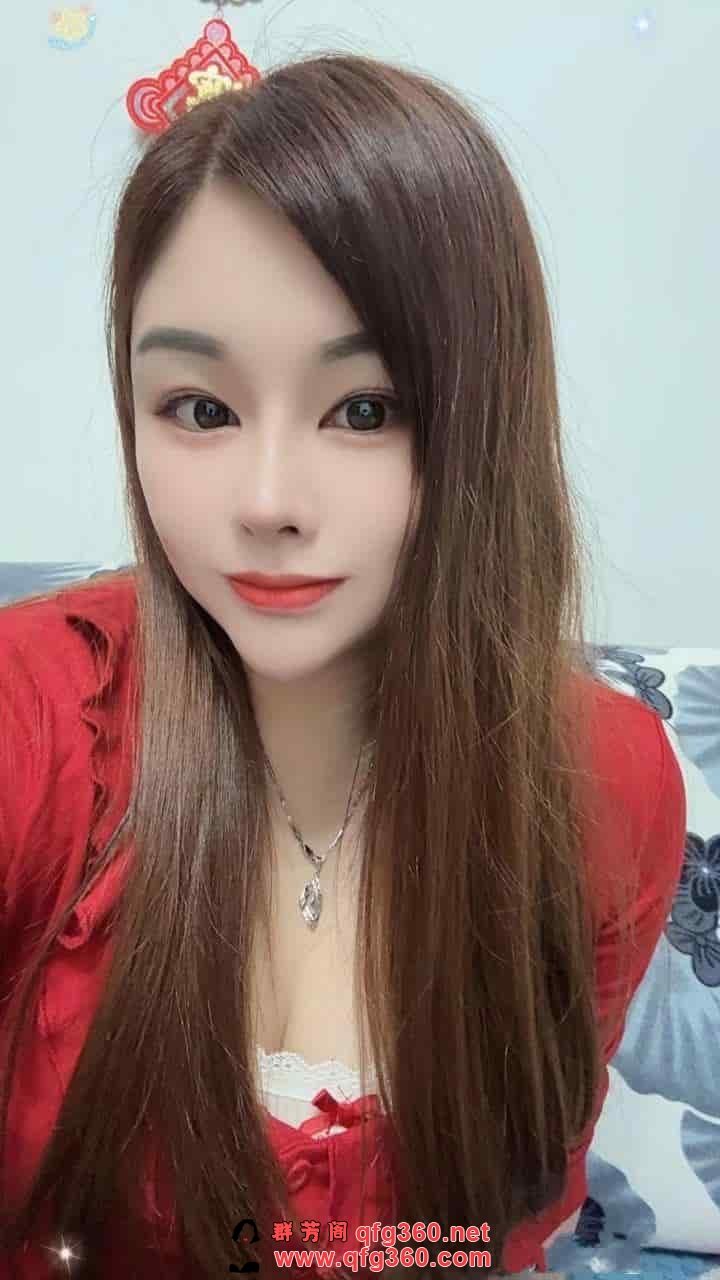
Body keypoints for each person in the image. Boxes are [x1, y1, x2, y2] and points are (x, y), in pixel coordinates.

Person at [0, 52, 686, 1280]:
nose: (267, 500)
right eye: (200, 408)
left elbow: (496, 1229)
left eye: (364, 408)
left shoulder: (603, 781)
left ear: (483, 420)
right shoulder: (39, 720)